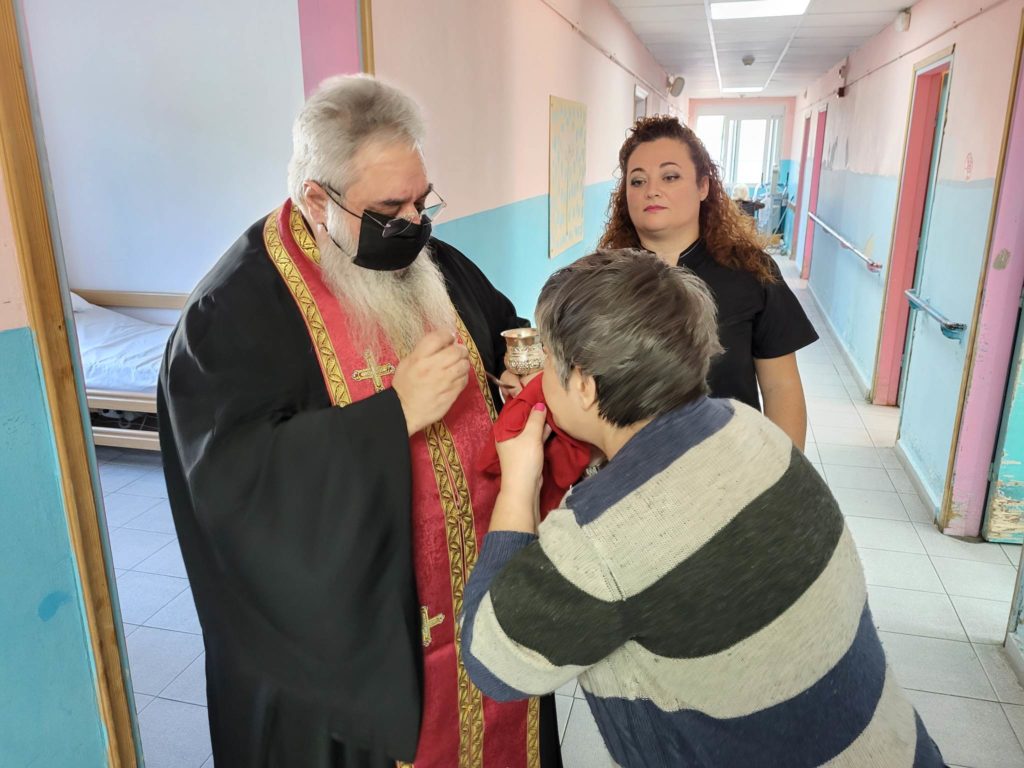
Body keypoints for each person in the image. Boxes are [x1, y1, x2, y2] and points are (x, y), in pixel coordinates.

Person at [157, 75, 561, 768]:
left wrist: (520, 371)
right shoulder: (230, 312)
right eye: (389, 208)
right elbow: (231, 487)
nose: (415, 223)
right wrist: (393, 416)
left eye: (422, 200)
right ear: (318, 200)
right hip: (364, 652)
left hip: (484, 592)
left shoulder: (423, 256)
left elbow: (502, 325)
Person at [459, 250, 945, 768]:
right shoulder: (745, 424)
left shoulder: (600, 538)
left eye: (550, 365)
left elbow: (493, 662)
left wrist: (518, 485)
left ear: (583, 383)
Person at [599, 115, 817, 449]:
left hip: (732, 462)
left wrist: (785, 472)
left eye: (670, 176)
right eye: (637, 181)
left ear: (703, 187)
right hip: (630, 467)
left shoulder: (752, 273)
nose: (651, 190)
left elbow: (780, 387)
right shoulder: (604, 279)